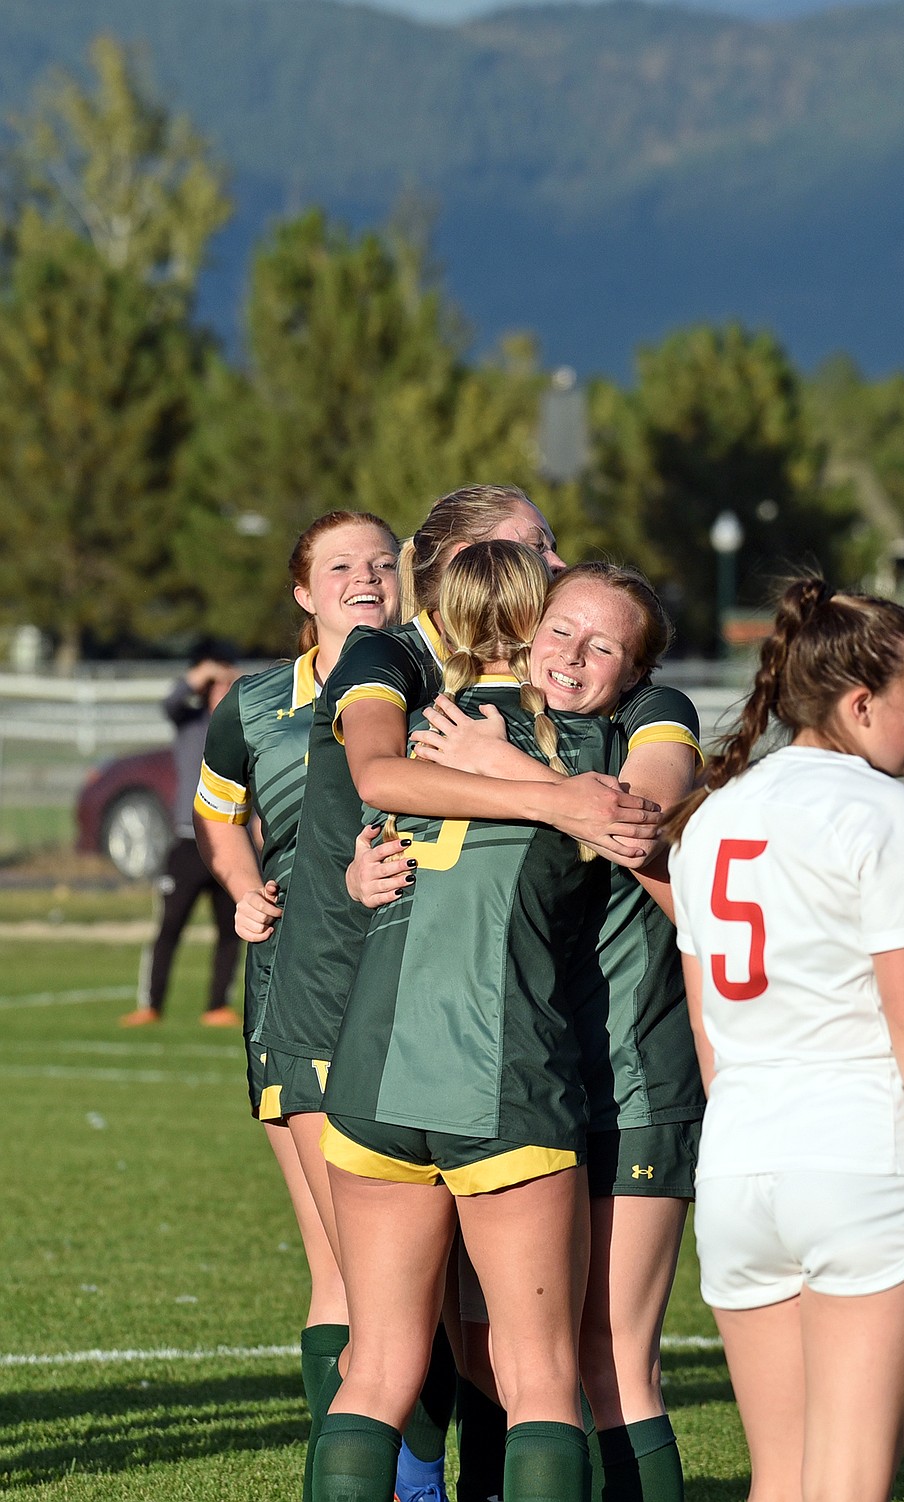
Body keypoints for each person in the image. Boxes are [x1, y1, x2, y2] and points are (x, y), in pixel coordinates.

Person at [250, 486, 658, 1502]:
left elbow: (372, 800)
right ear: (533, 625)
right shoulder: (588, 752)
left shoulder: (421, 728)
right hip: (500, 1074)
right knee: (543, 1377)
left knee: (377, 1364)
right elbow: (656, 846)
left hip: (373, 1076)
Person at [665, 578, 904, 1502]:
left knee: (783, 1481)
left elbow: (708, 1028)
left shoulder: (711, 816)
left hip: (737, 1171)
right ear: (858, 704)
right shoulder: (880, 811)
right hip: (860, 1162)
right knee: (848, 1485)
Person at [405, 560, 705, 1502]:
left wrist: (507, 772)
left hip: (631, 1076)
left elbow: (637, 826)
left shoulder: (650, 721)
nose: (572, 656)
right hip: (525, 1078)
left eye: (603, 645)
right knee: (505, 1352)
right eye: (560, 629)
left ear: (636, 671)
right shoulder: (485, 718)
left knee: (607, 1362)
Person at [191, 510, 408, 1502]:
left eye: (380, 560)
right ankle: (388, 1481)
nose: (364, 575)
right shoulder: (259, 701)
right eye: (339, 565)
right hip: (299, 985)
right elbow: (215, 805)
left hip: (418, 979)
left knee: (418, 1277)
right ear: (302, 591)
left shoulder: (421, 678)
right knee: (345, 1267)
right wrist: (240, 886)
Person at [122, 642, 242, 1027]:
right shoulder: (189, 723)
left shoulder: (246, 726)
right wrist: (204, 671)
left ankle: (217, 1005)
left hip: (231, 843)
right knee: (169, 926)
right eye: (218, 683)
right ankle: (151, 1004)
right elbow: (170, 702)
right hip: (188, 841)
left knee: (231, 929)